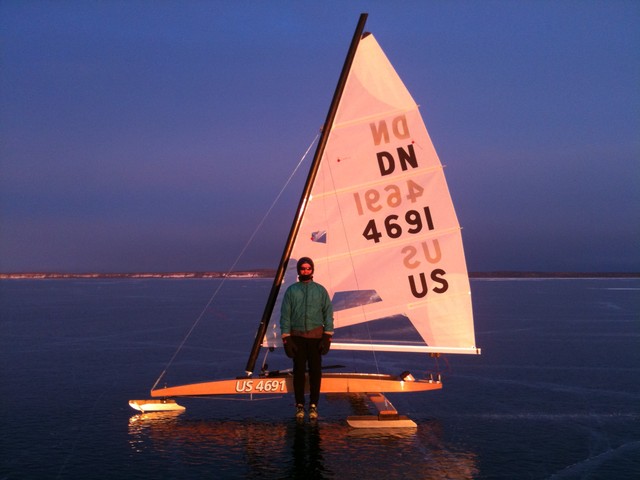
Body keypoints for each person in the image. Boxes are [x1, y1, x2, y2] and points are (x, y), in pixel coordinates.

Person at [280, 257, 333, 420]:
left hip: (316, 337)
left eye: (308, 268)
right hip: (297, 337)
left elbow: (328, 313)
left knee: (316, 371)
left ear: (312, 270)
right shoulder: (291, 291)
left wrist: (327, 336)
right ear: (298, 270)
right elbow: (285, 315)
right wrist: (286, 338)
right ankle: (299, 405)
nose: (305, 271)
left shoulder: (320, 290)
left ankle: (313, 405)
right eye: (302, 268)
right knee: (299, 372)